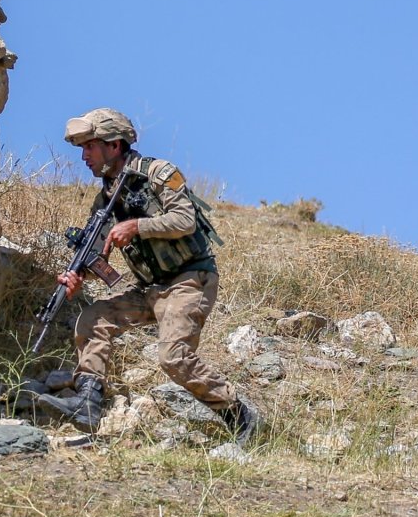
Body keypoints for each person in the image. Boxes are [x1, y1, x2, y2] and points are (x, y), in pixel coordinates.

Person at [43, 108, 264, 444]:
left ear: (114, 146)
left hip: (189, 279)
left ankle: (238, 413)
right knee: (93, 318)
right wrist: (77, 276)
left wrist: (137, 226)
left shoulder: (159, 173)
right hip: (150, 289)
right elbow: (97, 249)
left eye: (90, 146)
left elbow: (184, 220)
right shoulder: (106, 197)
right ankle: (88, 400)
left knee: (173, 357)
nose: (84, 156)